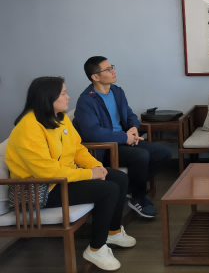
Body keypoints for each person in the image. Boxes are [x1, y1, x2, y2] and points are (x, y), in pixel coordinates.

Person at [5, 77, 135, 271]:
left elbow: (78, 148)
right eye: (64, 93)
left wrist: (97, 166)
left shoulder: (60, 118)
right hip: (38, 189)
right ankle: (96, 248)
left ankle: (113, 231)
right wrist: (89, 174)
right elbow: (47, 172)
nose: (68, 97)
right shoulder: (28, 128)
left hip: (61, 180)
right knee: (108, 189)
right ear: (48, 97)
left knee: (119, 177)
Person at [73, 56, 172, 219]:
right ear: (95, 77)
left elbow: (130, 114)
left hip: (124, 140)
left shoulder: (117, 91)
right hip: (105, 148)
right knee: (141, 156)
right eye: (108, 69)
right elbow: (92, 132)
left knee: (164, 153)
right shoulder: (86, 100)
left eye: (112, 67)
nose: (113, 71)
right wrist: (124, 137)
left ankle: (129, 188)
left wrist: (133, 127)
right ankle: (138, 197)